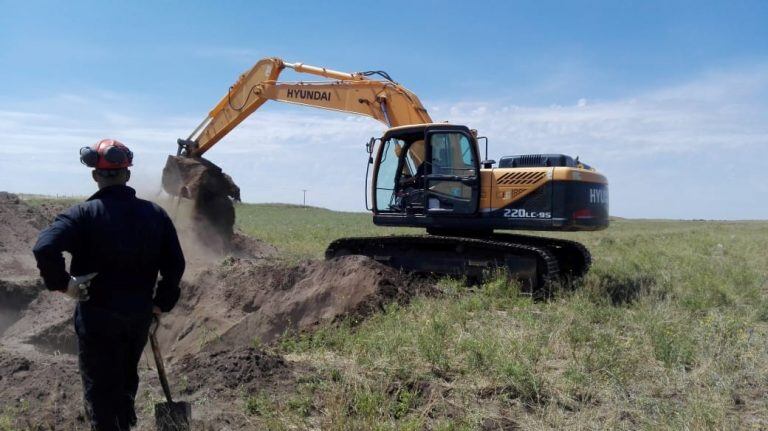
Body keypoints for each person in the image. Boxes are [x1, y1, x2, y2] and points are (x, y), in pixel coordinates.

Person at [32, 139, 185, 431]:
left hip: (97, 317)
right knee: (126, 381)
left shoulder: (82, 215)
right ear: (127, 174)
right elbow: (175, 265)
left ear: (95, 176)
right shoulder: (156, 215)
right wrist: (160, 304)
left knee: (101, 389)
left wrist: (65, 285)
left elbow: (44, 247)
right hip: (138, 316)